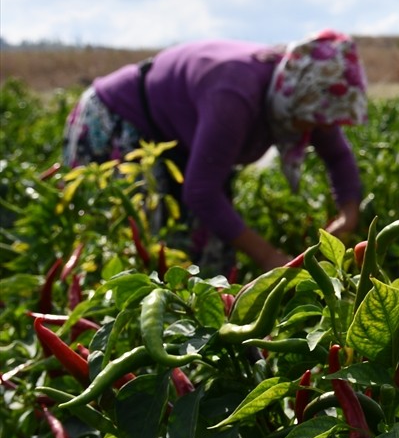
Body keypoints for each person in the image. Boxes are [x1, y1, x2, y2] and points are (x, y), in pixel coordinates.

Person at [62, 30, 369, 272]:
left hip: (179, 138)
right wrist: (268, 256)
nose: (325, 130)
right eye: (321, 120)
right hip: (121, 119)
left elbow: (337, 156)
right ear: (300, 99)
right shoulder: (234, 95)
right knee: (127, 242)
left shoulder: (298, 96)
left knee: (209, 255)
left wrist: (348, 217)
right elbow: (202, 192)